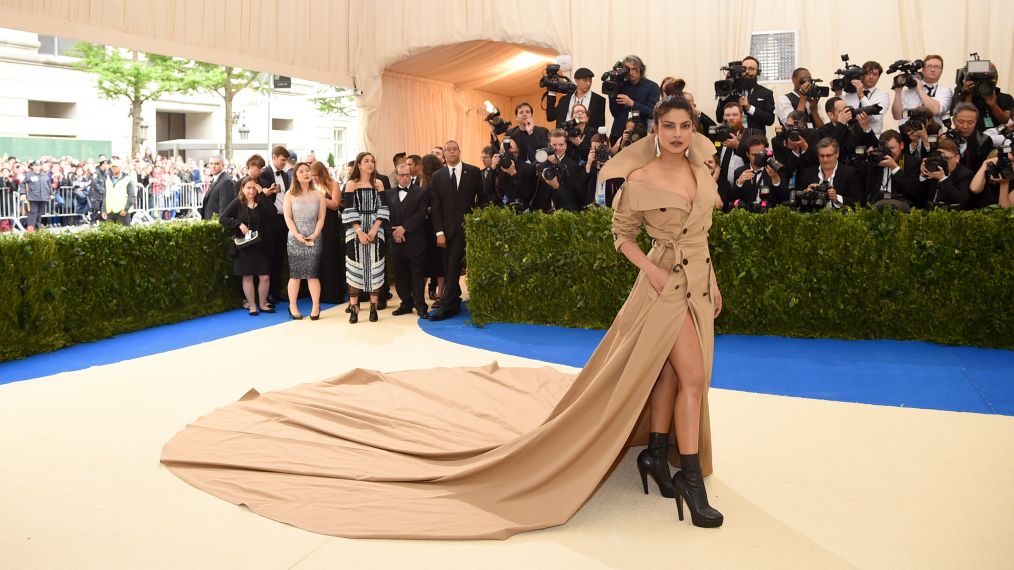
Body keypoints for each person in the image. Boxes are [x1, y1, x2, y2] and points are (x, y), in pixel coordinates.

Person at [161, 98, 727, 538]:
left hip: (699, 281)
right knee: (693, 376)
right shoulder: (642, 178)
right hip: (663, 282)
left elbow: (703, 233)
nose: (678, 134)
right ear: (657, 129)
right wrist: (650, 271)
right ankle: (690, 478)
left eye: (685, 125)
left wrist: (714, 281)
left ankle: (656, 452)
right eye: (669, 126)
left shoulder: (701, 168)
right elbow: (621, 236)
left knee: (671, 372)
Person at [429, 140, 482, 321]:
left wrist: (476, 222)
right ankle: (455, 300)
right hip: (444, 231)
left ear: (459, 151)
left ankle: (447, 306)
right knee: (448, 266)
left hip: (465, 227)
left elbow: (482, 199)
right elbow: (435, 206)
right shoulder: (437, 176)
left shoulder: (473, 172)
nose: (451, 152)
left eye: (454, 149)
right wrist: (439, 232)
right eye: (448, 150)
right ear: (444, 154)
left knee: (452, 266)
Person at [342, 152, 389, 323]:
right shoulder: (351, 184)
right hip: (355, 231)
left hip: (377, 229)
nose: (370, 164)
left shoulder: (379, 183)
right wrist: (359, 231)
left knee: (376, 267)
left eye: (372, 161)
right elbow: (348, 209)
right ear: (359, 165)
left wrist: (375, 228)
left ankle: (373, 307)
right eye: (366, 161)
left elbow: (384, 208)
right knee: (355, 267)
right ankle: (354, 308)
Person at [219, 176, 277, 315]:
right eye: (248, 188)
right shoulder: (237, 202)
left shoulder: (262, 201)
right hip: (245, 245)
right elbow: (223, 218)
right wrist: (238, 223)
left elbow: (273, 211)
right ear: (242, 189)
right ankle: (252, 305)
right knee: (248, 276)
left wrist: (262, 194)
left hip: (262, 244)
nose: (251, 191)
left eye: (253, 188)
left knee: (264, 276)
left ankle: (263, 304)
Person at [283, 162, 326, 320]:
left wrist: (315, 233)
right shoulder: (290, 194)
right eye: (301, 171)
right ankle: (292, 305)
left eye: (307, 170)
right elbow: (288, 217)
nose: (306, 173)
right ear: (296, 175)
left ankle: (316, 305)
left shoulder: (319, 194)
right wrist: (296, 234)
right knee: (295, 275)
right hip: (295, 239)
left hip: (315, 237)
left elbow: (321, 217)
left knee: (312, 274)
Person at [388, 162, 431, 318]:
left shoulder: (421, 192)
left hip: (415, 240)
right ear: (396, 175)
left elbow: (421, 215)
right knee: (400, 275)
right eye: (402, 175)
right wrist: (395, 233)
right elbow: (386, 217)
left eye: (408, 175)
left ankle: (420, 305)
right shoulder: (389, 194)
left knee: (417, 275)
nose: (405, 178)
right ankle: (406, 303)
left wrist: (403, 229)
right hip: (396, 241)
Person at [310, 161, 345, 304]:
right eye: (311, 176)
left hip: (329, 224)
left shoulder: (333, 184)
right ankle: (317, 293)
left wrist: (319, 197)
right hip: (313, 224)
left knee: (330, 256)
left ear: (322, 173)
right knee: (316, 258)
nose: (313, 178)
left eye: (315, 175)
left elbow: (336, 204)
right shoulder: (310, 186)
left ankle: (332, 293)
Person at [607, 55, 661, 145]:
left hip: (640, 135)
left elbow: (652, 112)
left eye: (634, 69)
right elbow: (614, 113)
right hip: (618, 133)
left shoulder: (652, 87)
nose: (631, 72)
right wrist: (612, 92)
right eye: (628, 69)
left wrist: (632, 103)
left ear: (641, 69)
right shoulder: (620, 85)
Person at [18, 161, 52, 233]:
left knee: (39, 214)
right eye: (35, 166)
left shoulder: (44, 175)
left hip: (43, 198)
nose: (37, 167)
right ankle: (30, 231)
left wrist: (51, 194)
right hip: (32, 198)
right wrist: (23, 193)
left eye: (39, 166)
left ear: (40, 166)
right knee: (32, 214)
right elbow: (22, 184)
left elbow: (49, 185)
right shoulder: (28, 175)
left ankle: (38, 230)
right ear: (32, 167)